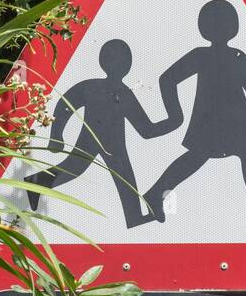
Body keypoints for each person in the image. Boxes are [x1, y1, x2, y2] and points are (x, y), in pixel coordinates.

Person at [143, 0, 246, 231]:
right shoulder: (216, 56)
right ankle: (155, 194)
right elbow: (167, 79)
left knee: (241, 158)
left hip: (234, 122)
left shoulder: (231, 56)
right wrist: (175, 116)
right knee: (202, 157)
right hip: (216, 121)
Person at [26, 38, 169, 228]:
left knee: (84, 170)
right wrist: (56, 135)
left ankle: (36, 183)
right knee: (86, 170)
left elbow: (145, 129)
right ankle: (35, 184)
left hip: (109, 142)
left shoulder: (114, 90)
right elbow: (66, 105)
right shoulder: (101, 88)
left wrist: (170, 124)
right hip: (97, 140)